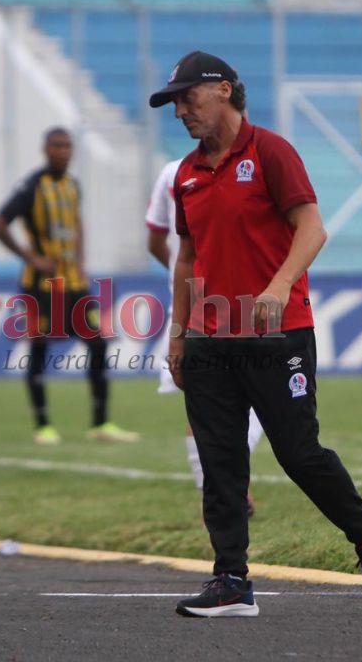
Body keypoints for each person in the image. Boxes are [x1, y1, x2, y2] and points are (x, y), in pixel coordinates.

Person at [149, 51, 362, 617]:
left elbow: (312, 226)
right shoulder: (186, 174)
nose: (180, 112)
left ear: (224, 91)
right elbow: (187, 259)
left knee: (299, 453)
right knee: (220, 461)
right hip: (211, 337)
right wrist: (178, 335)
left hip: (277, 332)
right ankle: (232, 579)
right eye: (174, 104)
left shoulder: (271, 152)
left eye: (188, 99)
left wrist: (280, 284)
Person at [0, 127, 138, 445]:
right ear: (45, 149)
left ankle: (101, 422)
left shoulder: (72, 186)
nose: (63, 151)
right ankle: (43, 424)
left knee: (98, 344)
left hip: (74, 284)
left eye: (68, 146)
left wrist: (81, 262)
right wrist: (31, 257)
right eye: (57, 146)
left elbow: (76, 222)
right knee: (39, 347)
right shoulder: (31, 187)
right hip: (41, 286)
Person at [146, 158, 263, 516]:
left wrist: (179, 274)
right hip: (226, 304)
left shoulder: (173, 171)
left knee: (209, 405)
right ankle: (219, 492)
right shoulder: (187, 172)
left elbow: (154, 238)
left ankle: (217, 489)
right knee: (225, 401)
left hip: (208, 304)